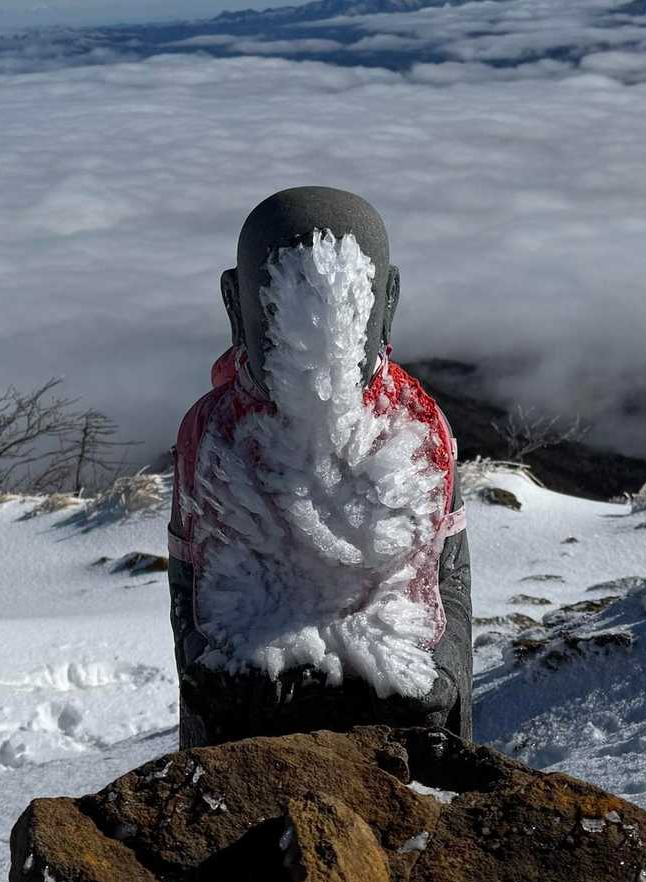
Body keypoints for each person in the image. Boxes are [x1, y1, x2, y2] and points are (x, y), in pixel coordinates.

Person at [167, 187, 472, 749]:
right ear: (235, 304)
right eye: (281, 307)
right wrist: (211, 671)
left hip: (392, 704)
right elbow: (191, 585)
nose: (317, 342)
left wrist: (442, 676)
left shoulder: (419, 429)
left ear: (387, 301)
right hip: (253, 713)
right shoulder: (211, 436)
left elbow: (447, 580)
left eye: (345, 306)